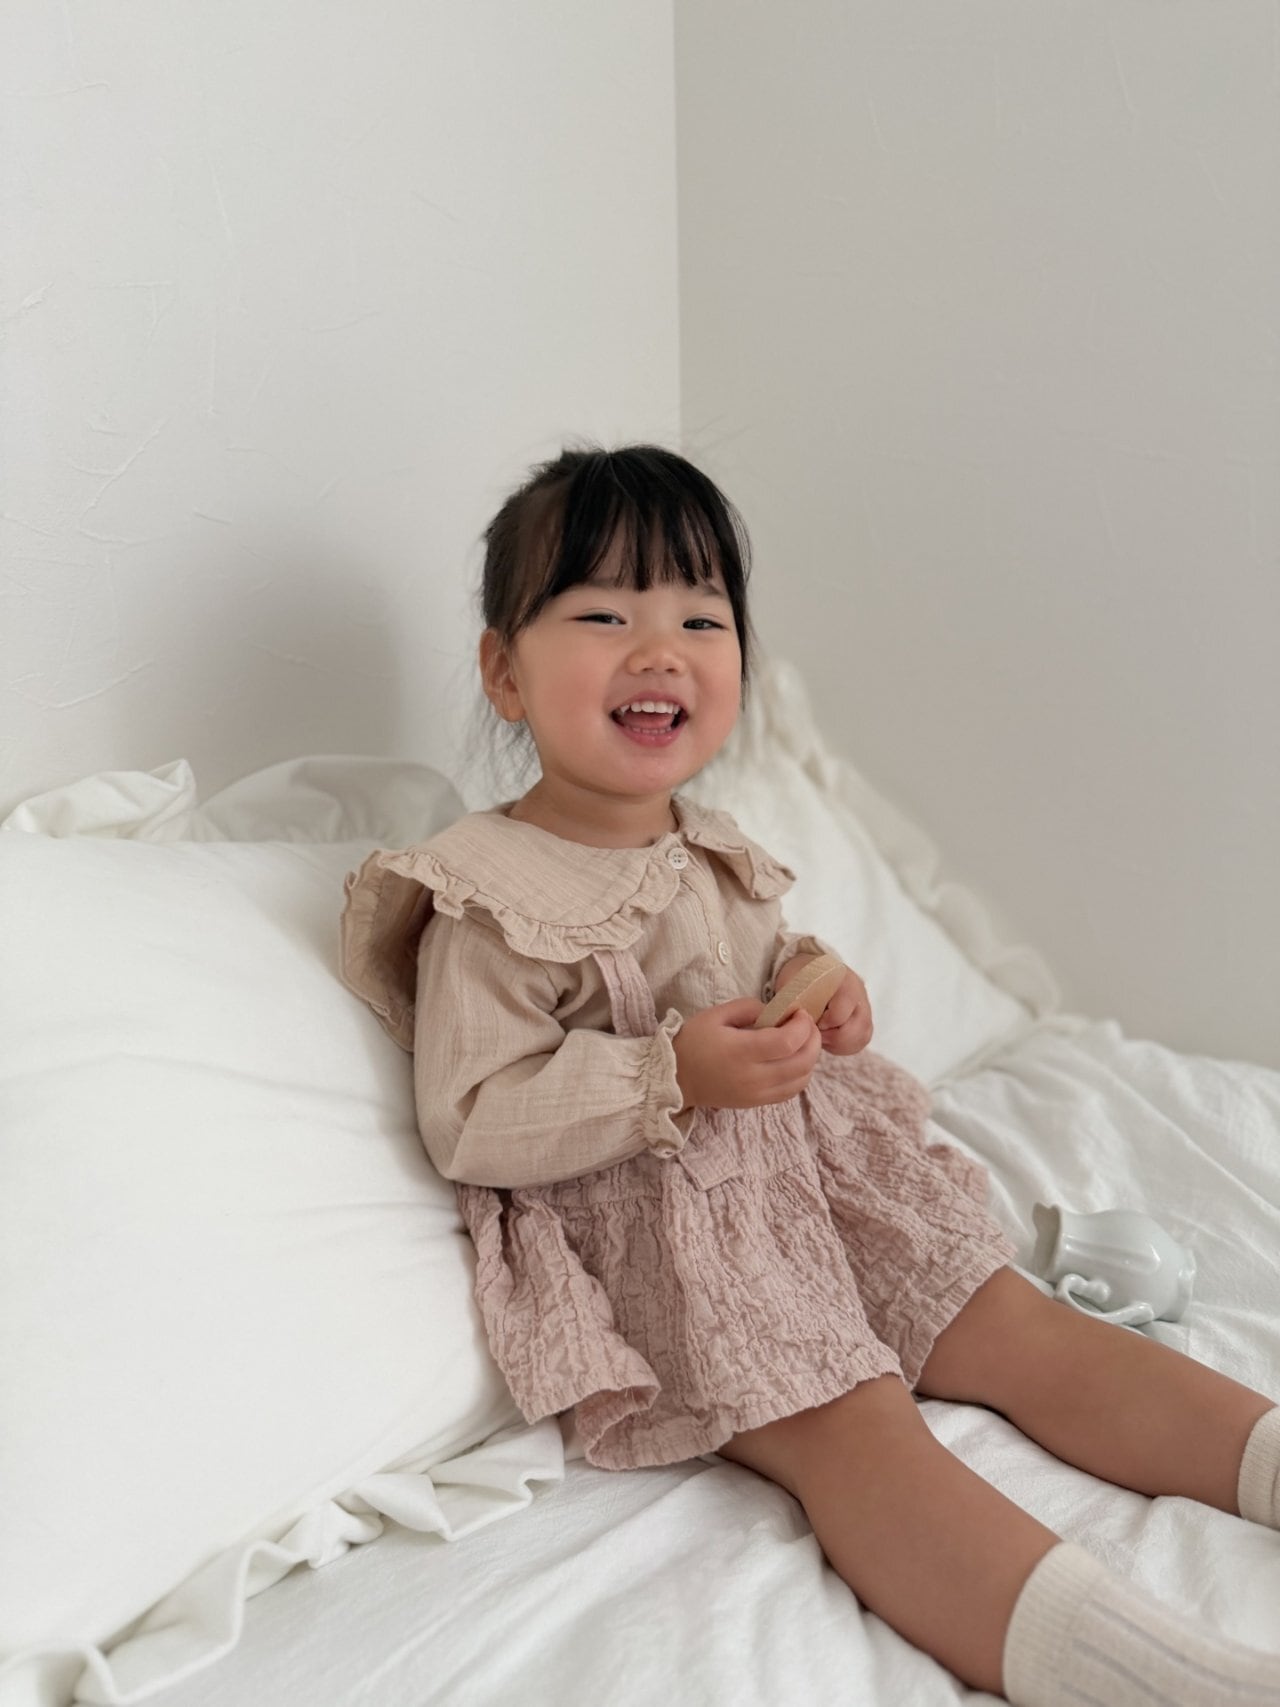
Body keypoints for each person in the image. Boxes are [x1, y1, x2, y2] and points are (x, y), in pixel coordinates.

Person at [341, 443, 1280, 1706]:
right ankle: (1148, 1674)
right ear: (504, 673)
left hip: (817, 1186)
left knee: (1017, 1326)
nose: (659, 650)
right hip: (679, 1242)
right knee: (856, 1424)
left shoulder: (714, 846)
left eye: (699, 618)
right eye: (604, 615)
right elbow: (473, 1116)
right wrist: (666, 1072)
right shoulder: (488, 896)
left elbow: (750, 960)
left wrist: (814, 984)